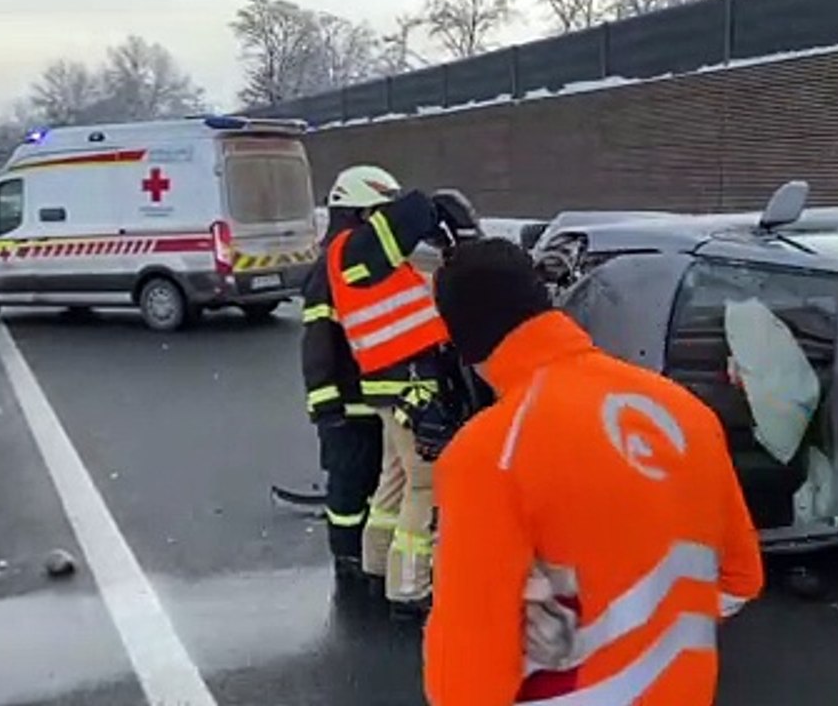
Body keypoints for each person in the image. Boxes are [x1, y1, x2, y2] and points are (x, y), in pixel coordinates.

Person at [424, 238, 765, 705]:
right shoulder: (685, 412)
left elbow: (466, 668)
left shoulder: (491, 454)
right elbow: (741, 577)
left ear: (463, 344)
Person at [319, 164, 482, 616]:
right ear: (367, 209)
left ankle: (377, 565)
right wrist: (431, 205)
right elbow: (404, 220)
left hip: (393, 383)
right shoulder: (353, 250)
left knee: (396, 478)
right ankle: (409, 590)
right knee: (425, 484)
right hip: (408, 381)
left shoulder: (369, 260)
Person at [300, 220, 382, 590]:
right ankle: (347, 557)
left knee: (372, 483)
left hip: (372, 402)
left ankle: (365, 554)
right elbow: (317, 345)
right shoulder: (329, 271)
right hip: (347, 407)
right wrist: (326, 407)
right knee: (348, 489)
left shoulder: (361, 263)